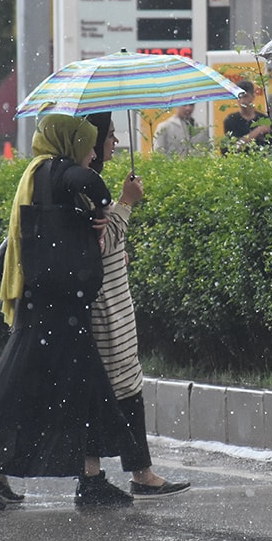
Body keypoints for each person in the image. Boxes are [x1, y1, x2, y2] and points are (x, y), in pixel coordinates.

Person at [0, 113, 141, 509]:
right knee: (19, 390)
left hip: (57, 306)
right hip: (51, 309)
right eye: (88, 144)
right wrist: (105, 204)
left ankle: (87, 479)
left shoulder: (40, 173)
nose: (93, 152)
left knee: (81, 390)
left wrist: (91, 216)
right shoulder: (53, 169)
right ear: (69, 141)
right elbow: (85, 181)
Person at [86, 111, 191, 498]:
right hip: (105, 306)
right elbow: (99, 243)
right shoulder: (84, 184)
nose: (116, 143)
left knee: (125, 384)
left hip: (114, 298)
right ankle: (116, 474)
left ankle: (133, 472)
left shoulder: (89, 181)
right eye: (110, 136)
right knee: (117, 387)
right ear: (94, 142)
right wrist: (127, 203)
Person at [221, 80, 272, 154]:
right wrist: (257, 131)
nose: (242, 101)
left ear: (253, 96)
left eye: (245, 96)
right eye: (240, 97)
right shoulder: (231, 120)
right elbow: (233, 148)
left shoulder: (264, 119)